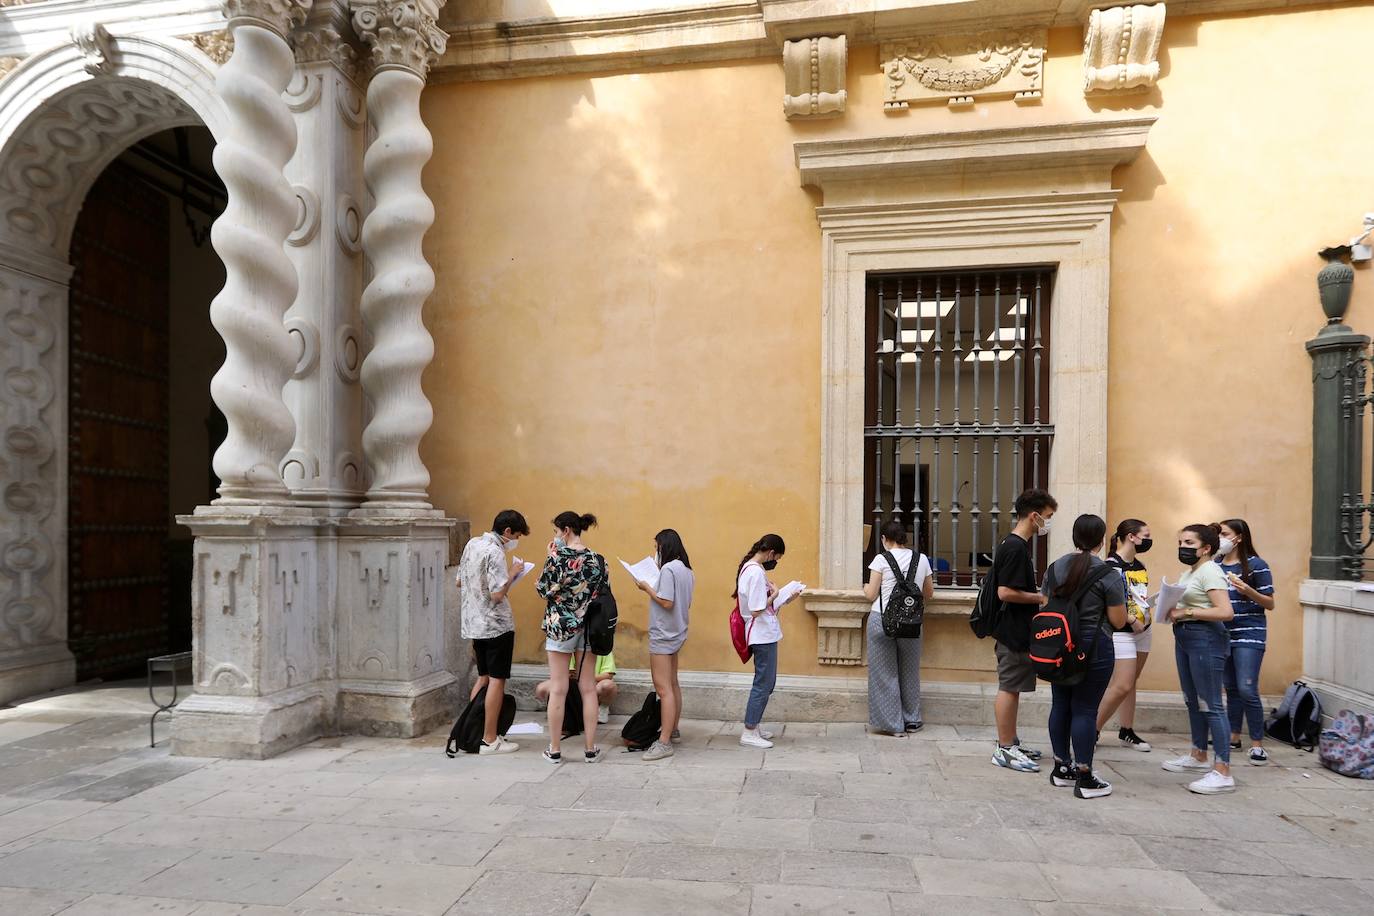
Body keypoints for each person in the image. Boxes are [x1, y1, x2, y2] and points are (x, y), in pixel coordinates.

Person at [1043, 515, 1128, 799]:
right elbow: (1118, 620)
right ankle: (1084, 776)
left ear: (1074, 536)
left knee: (1061, 705)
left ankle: (1061, 768)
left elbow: (1046, 604)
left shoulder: (1055, 567)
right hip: (1094, 646)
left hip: (1059, 644)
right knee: (1085, 709)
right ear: (1102, 540)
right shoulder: (1108, 574)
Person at [1161, 524, 1236, 794]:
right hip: (1186, 638)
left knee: (1212, 703)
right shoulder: (1191, 571)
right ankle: (1198, 755)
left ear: (1206, 548)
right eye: (1181, 541)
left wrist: (1187, 612)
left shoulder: (1211, 571)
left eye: (1190, 543)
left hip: (1206, 639)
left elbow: (1225, 611)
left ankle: (1223, 770)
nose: (1183, 547)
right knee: (1192, 700)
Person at [989, 488, 1058, 773]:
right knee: (1009, 687)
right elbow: (1005, 592)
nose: (1049, 522)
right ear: (1034, 516)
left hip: (1016, 629)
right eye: (1048, 516)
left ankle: (1011, 741)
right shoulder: (1016, 547)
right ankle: (1005, 749)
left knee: (1014, 687)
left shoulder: (1013, 543)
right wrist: (1040, 598)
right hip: (1013, 631)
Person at [534, 510, 607, 764]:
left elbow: (542, 589)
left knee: (559, 688)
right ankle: (590, 749)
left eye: (556, 531)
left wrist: (550, 556)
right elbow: (602, 592)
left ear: (565, 530)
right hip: (589, 628)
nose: (555, 536)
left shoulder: (558, 557)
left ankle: (554, 749)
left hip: (561, 627)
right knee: (588, 688)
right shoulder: (598, 559)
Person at [456, 509, 530, 755]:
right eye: (516, 535)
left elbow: (459, 581)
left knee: (483, 676)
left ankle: (469, 731)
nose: (515, 540)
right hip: (496, 625)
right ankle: (489, 739)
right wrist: (514, 573)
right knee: (497, 680)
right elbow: (498, 593)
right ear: (507, 531)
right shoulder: (495, 551)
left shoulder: (472, 544)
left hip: (474, 622)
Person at [862, 519, 933, 736]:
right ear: (904, 538)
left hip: (881, 620)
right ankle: (912, 719)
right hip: (911, 622)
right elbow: (928, 593)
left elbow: (871, 594)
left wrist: (865, 586)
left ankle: (893, 724)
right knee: (910, 671)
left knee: (884, 673)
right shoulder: (921, 559)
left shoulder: (881, 559)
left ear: (884, 539)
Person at [1216, 518, 1276, 765]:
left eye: (1225, 533)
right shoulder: (1215, 566)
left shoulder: (1257, 565)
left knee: (1247, 688)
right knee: (1230, 687)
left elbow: (1270, 602)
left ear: (1238, 537)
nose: (1220, 537)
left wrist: (1247, 590)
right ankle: (1233, 736)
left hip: (1250, 632)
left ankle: (1258, 744)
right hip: (1223, 633)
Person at [1096, 518, 1154, 752]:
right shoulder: (1110, 566)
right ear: (1132, 537)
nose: (1149, 540)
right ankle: (1092, 729)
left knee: (1131, 684)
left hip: (1143, 631)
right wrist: (1130, 619)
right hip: (1121, 632)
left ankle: (1126, 730)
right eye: (1146, 535)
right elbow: (1108, 603)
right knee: (1121, 684)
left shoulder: (1139, 566)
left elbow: (1136, 597)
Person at [636, 529, 695, 761]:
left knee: (663, 688)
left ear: (665, 547)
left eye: (657, 547)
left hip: (663, 633)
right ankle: (673, 728)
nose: (655, 551)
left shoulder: (669, 570)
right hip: (678, 632)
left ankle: (664, 742)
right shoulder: (687, 570)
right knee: (672, 683)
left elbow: (667, 602)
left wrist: (646, 588)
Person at [735, 533, 787, 749]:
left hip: (764, 633)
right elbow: (756, 610)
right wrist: (776, 595)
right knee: (763, 683)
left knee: (767, 682)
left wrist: (782, 597)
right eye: (777, 557)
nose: (776, 562)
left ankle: (754, 726)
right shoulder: (755, 572)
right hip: (761, 634)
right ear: (771, 553)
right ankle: (749, 730)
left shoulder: (752, 569)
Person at [534, 651, 618, 727]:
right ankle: (557, 708)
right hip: (573, 685)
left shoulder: (602, 646)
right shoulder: (569, 647)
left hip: (594, 684)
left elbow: (608, 675)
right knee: (541, 688)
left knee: (609, 685)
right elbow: (566, 674)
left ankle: (601, 709)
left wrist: (586, 678)